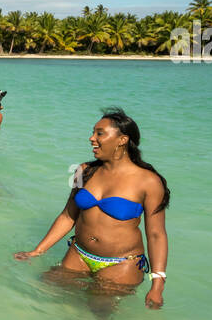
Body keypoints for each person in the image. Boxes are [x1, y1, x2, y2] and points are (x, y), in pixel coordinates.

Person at [14, 109, 169, 309]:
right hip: (78, 255)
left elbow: (156, 234)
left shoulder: (149, 181)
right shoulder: (84, 170)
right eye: (93, 132)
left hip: (122, 264)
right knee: (41, 292)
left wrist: (157, 284)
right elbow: (68, 215)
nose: (91, 138)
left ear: (122, 139)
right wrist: (37, 251)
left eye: (99, 133)